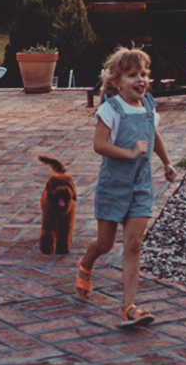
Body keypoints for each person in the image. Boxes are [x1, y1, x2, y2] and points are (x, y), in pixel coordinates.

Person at [75, 46, 176, 327]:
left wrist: (166, 162)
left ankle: (129, 308)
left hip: (141, 186)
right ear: (117, 82)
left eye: (143, 73)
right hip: (113, 185)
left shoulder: (149, 107)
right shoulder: (111, 109)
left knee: (134, 243)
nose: (140, 79)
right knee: (106, 244)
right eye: (132, 75)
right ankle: (86, 263)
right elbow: (99, 145)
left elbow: (153, 135)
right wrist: (130, 153)